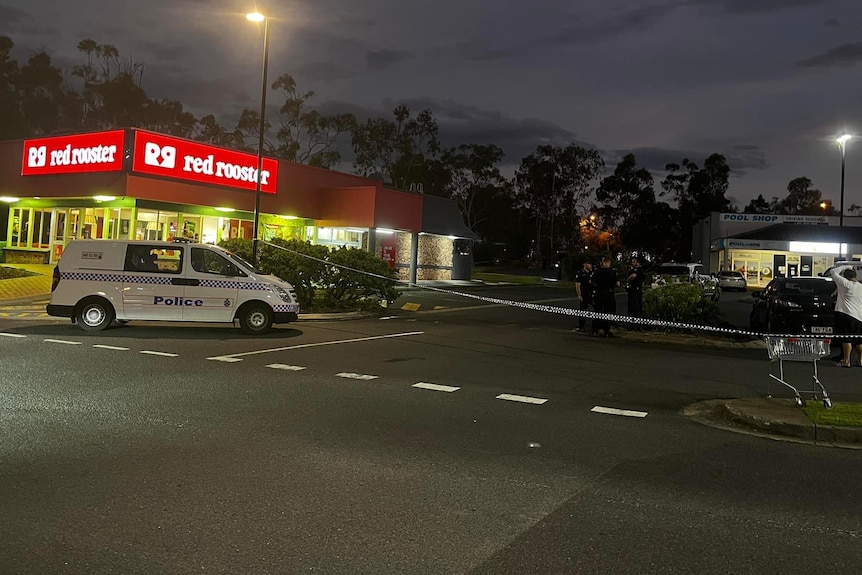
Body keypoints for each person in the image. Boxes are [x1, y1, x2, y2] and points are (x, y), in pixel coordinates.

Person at [829, 265, 862, 367]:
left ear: (845, 277)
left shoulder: (845, 284)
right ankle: (861, 361)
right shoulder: (861, 286)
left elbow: (833, 272)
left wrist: (846, 266)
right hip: (859, 316)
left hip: (845, 314)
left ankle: (846, 361)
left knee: (846, 338)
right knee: (859, 340)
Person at [591, 256, 619, 337]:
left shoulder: (596, 271)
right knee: (608, 312)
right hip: (608, 294)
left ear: (603, 263)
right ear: (609, 263)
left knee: (597, 311)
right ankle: (606, 330)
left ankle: (595, 330)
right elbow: (617, 284)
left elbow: (591, 281)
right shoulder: (612, 271)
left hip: (598, 293)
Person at [626, 257, 645, 329]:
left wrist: (627, 280)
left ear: (638, 263)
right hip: (632, 291)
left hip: (636, 291)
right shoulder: (631, 269)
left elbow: (633, 276)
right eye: (632, 262)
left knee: (636, 308)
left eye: (634, 262)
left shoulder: (638, 270)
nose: (632, 263)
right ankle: (632, 324)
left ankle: (637, 325)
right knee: (631, 308)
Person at [574, 261, 594, 332]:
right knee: (583, 310)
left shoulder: (592, 273)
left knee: (597, 308)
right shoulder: (580, 273)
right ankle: (581, 326)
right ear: (584, 264)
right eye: (589, 264)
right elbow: (577, 285)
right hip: (584, 294)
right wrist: (579, 295)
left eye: (590, 264)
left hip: (591, 294)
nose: (590, 265)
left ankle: (596, 326)